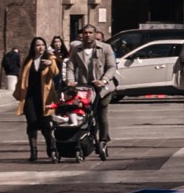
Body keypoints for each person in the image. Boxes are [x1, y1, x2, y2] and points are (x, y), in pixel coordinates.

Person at [69, 20, 114, 153]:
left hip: (102, 88)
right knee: (86, 115)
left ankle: (104, 139)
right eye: (85, 33)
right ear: (82, 35)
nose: (88, 35)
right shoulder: (76, 50)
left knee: (101, 114)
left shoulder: (105, 48)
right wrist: (70, 80)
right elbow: (70, 67)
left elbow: (111, 67)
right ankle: (88, 137)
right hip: (84, 88)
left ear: (95, 34)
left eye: (90, 33)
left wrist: (104, 80)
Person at [15, 37, 58, 164]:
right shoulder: (28, 60)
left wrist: (51, 64)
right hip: (30, 96)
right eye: (38, 45)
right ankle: (33, 151)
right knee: (32, 122)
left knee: (46, 123)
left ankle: (51, 147)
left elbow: (55, 73)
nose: (41, 47)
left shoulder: (50, 58)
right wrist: (19, 91)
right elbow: (21, 76)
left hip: (45, 96)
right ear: (33, 47)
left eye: (43, 45)